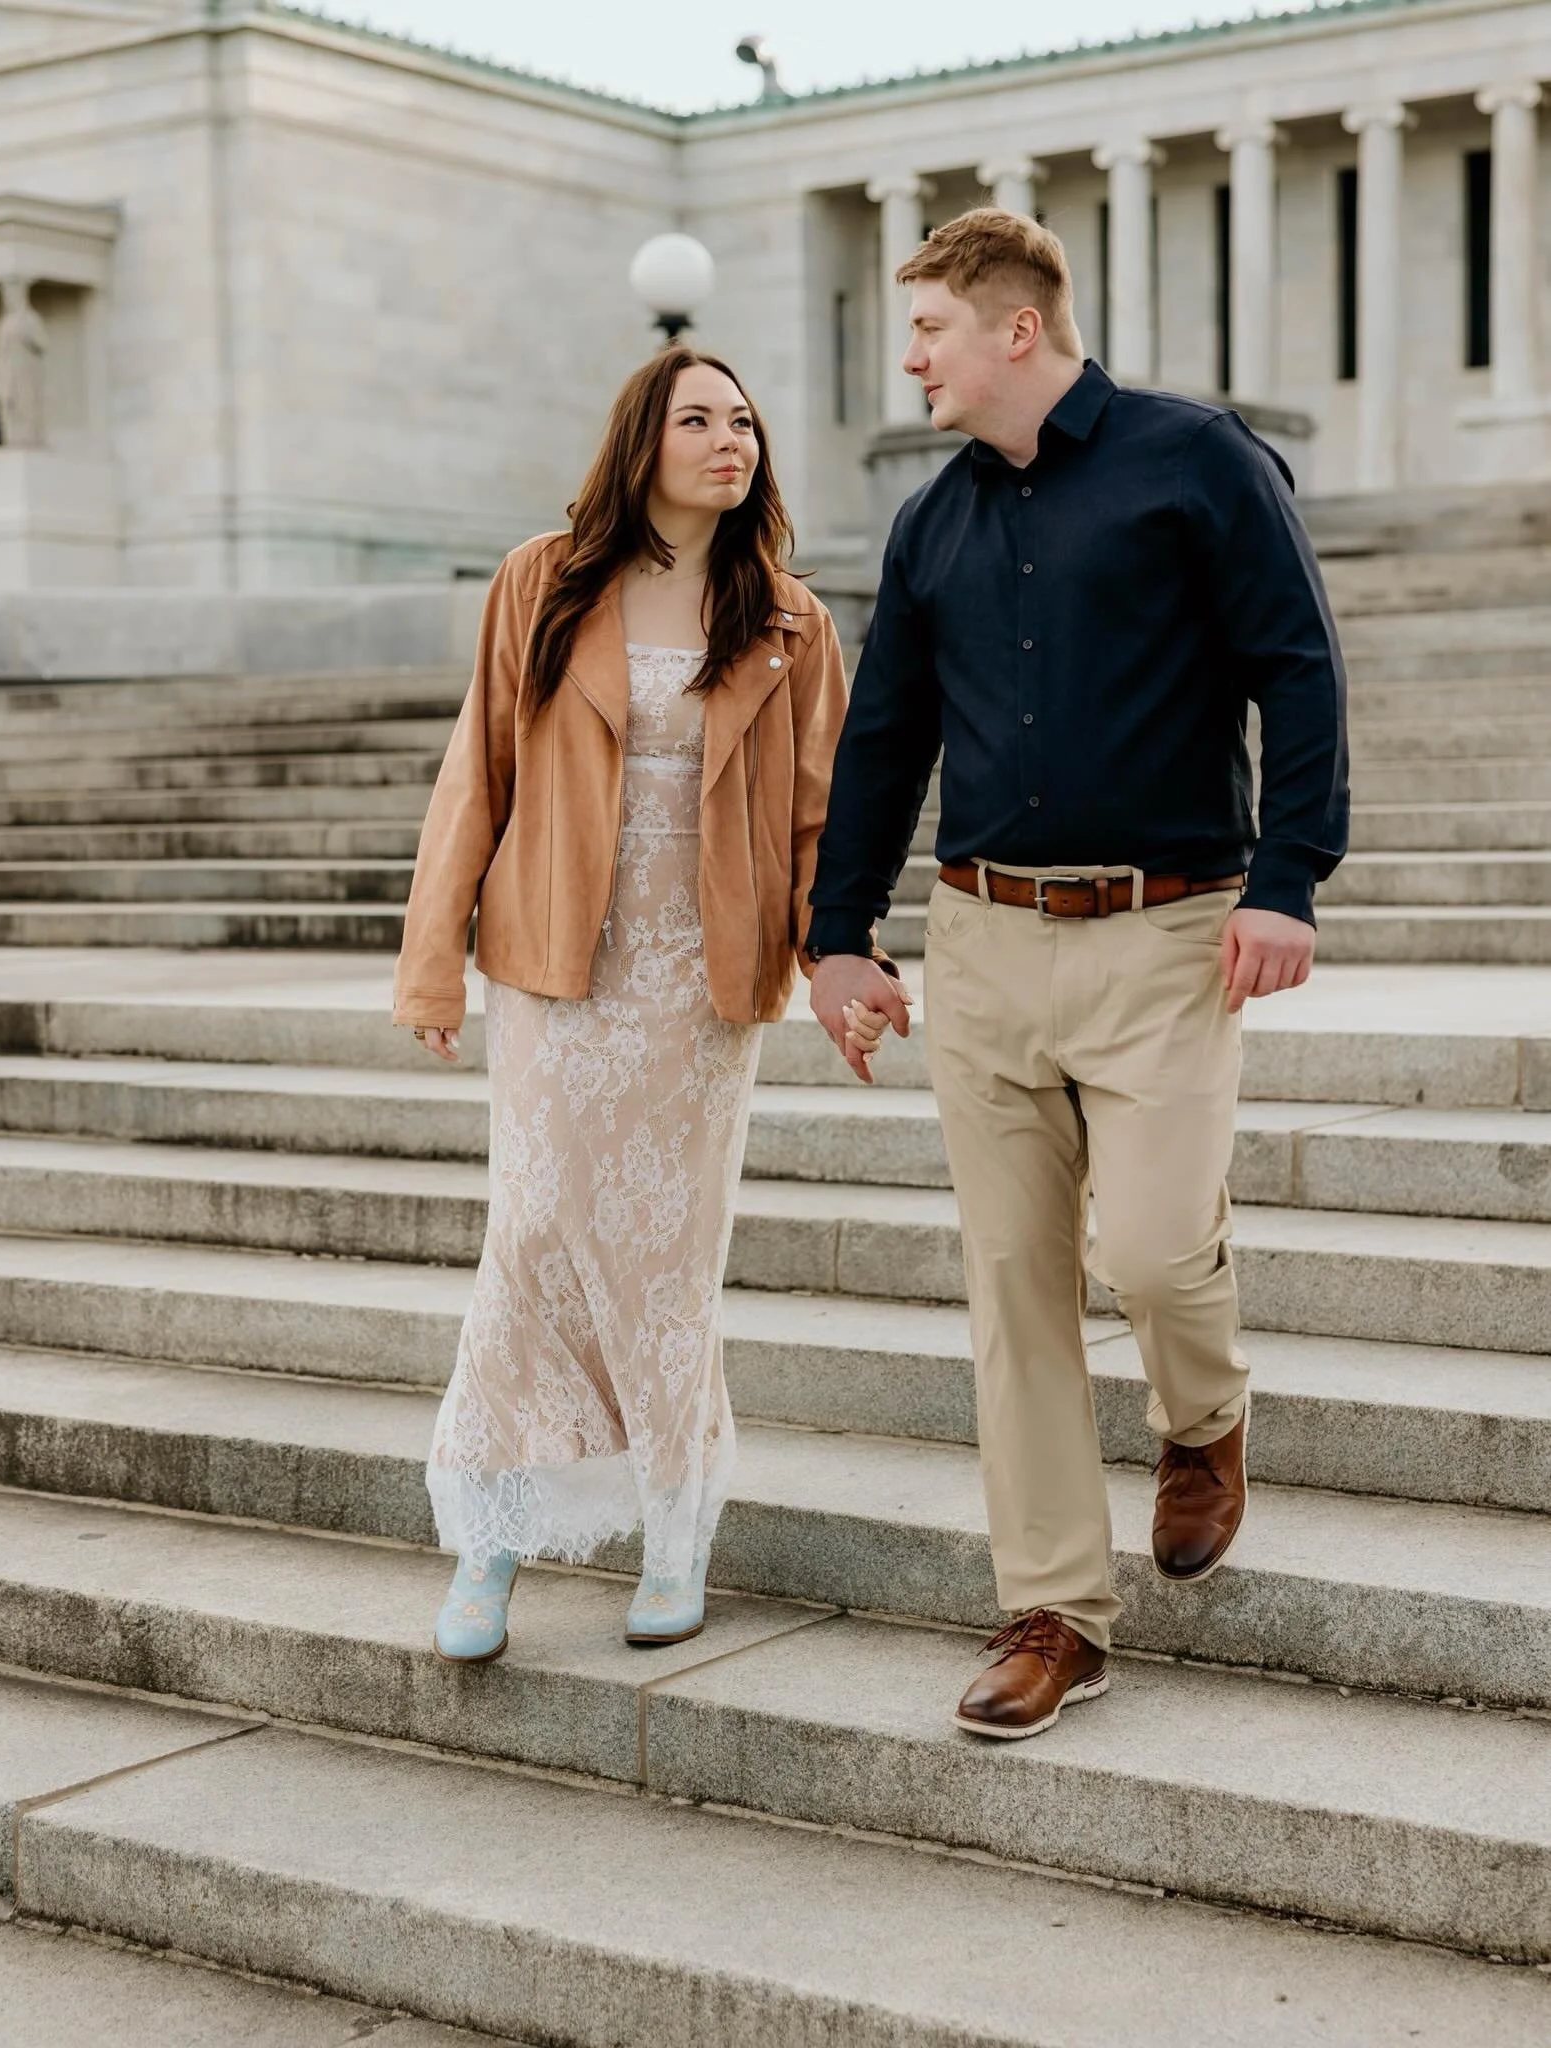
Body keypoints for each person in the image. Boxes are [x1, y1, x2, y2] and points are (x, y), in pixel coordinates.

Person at [806, 209, 1349, 1740]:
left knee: (1157, 1254)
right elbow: (883, 737)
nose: (910, 359)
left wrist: (1288, 881)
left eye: (927, 329)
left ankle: (1204, 1415)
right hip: (981, 943)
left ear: (1016, 330)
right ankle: (1053, 1612)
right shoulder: (929, 524)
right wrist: (838, 933)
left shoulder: (1196, 461)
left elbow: (1297, 669)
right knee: (1012, 1285)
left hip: (1168, 934)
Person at [394, 346, 855, 1663]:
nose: (729, 440)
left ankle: (674, 1532)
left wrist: (840, 956)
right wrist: (432, 959)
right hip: (555, 966)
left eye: (744, 422)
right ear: (640, 441)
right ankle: (490, 1537)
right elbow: (476, 772)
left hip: (698, 985)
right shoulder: (541, 581)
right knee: (533, 1234)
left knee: (667, 1258)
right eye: (697, 419)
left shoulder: (789, 621)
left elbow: (821, 816)